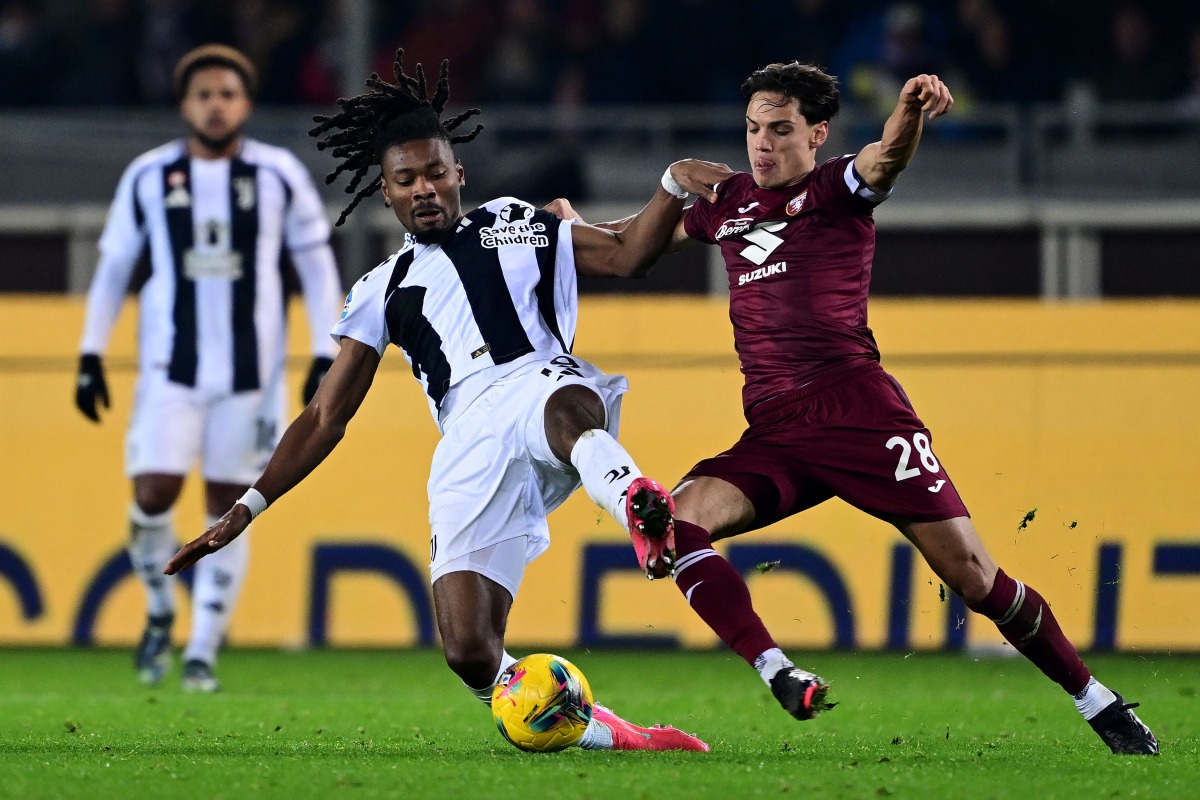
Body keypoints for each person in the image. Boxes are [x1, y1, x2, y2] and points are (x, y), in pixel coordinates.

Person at [560, 61, 1158, 756]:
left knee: (972, 576)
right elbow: (624, 243)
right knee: (678, 518)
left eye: (781, 130)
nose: (763, 144)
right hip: (777, 431)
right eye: (753, 129)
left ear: (816, 134)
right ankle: (778, 670)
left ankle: (1099, 703)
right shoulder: (727, 204)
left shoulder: (835, 188)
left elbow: (887, 156)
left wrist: (908, 109)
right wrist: (555, 229)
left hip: (859, 416)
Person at [165, 50, 721, 752]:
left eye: (435, 172)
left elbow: (625, 252)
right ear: (386, 194)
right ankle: (618, 736)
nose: (424, 188)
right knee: (469, 649)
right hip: (466, 437)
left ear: (459, 172)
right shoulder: (378, 288)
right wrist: (245, 507)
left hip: (540, 380)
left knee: (561, 409)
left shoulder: (518, 221)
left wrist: (672, 187)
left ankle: (638, 501)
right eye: (406, 180)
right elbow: (324, 416)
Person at [75, 44, 344, 692]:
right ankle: (163, 611)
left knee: (230, 504)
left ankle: (202, 648)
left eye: (227, 94)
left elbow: (314, 264)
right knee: (154, 493)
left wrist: (325, 350)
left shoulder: (279, 174)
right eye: (204, 95)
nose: (216, 105)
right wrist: (89, 352)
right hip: (171, 370)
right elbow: (113, 268)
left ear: (246, 104)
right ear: (184, 105)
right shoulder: (148, 176)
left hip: (251, 380)